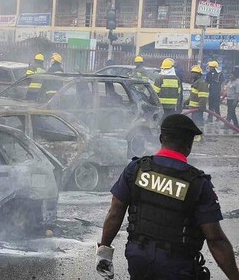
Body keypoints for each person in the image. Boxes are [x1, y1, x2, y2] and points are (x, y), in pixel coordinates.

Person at [96, 114, 239, 280]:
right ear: (189, 145)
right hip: (177, 266)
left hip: (138, 260)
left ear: (161, 138)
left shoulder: (136, 169)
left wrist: (104, 253)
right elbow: (215, 240)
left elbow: (115, 212)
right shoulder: (198, 183)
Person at [186, 65, 209, 141]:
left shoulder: (201, 83)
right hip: (193, 107)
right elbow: (194, 94)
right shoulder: (196, 82)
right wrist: (187, 101)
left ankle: (198, 136)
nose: (192, 74)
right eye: (192, 72)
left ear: (199, 74)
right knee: (195, 121)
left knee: (198, 121)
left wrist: (202, 106)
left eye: (194, 73)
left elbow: (203, 96)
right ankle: (199, 136)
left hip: (197, 107)